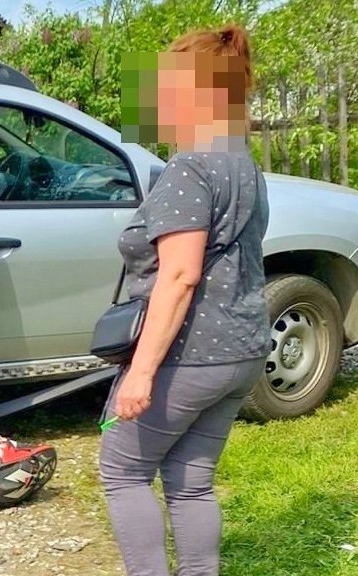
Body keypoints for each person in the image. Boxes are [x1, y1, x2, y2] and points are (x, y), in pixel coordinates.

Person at [98, 25, 269, 576]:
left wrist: (141, 373)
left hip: (189, 354)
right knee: (191, 484)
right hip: (240, 350)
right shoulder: (243, 164)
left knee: (122, 471)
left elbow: (179, 275)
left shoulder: (190, 167)